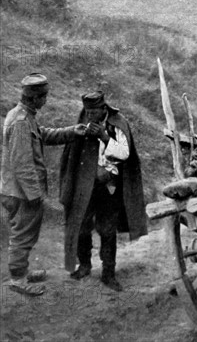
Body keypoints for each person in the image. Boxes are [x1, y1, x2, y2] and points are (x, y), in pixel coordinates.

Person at [1, 73, 86, 296]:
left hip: (16, 190)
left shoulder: (23, 115)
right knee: (23, 234)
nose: (46, 100)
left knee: (24, 232)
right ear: (34, 97)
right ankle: (18, 279)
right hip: (20, 192)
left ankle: (22, 271)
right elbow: (21, 164)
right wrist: (34, 193)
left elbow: (42, 135)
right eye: (44, 96)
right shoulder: (20, 122)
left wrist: (71, 132)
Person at [59, 91, 147, 291]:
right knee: (82, 224)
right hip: (86, 185)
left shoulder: (118, 123)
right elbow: (74, 150)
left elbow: (125, 153)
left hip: (109, 186)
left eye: (93, 112)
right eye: (87, 111)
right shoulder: (84, 120)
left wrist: (104, 137)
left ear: (103, 109)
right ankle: (85, 265)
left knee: (107, 229)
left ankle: (108, 273)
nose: (89, 116)